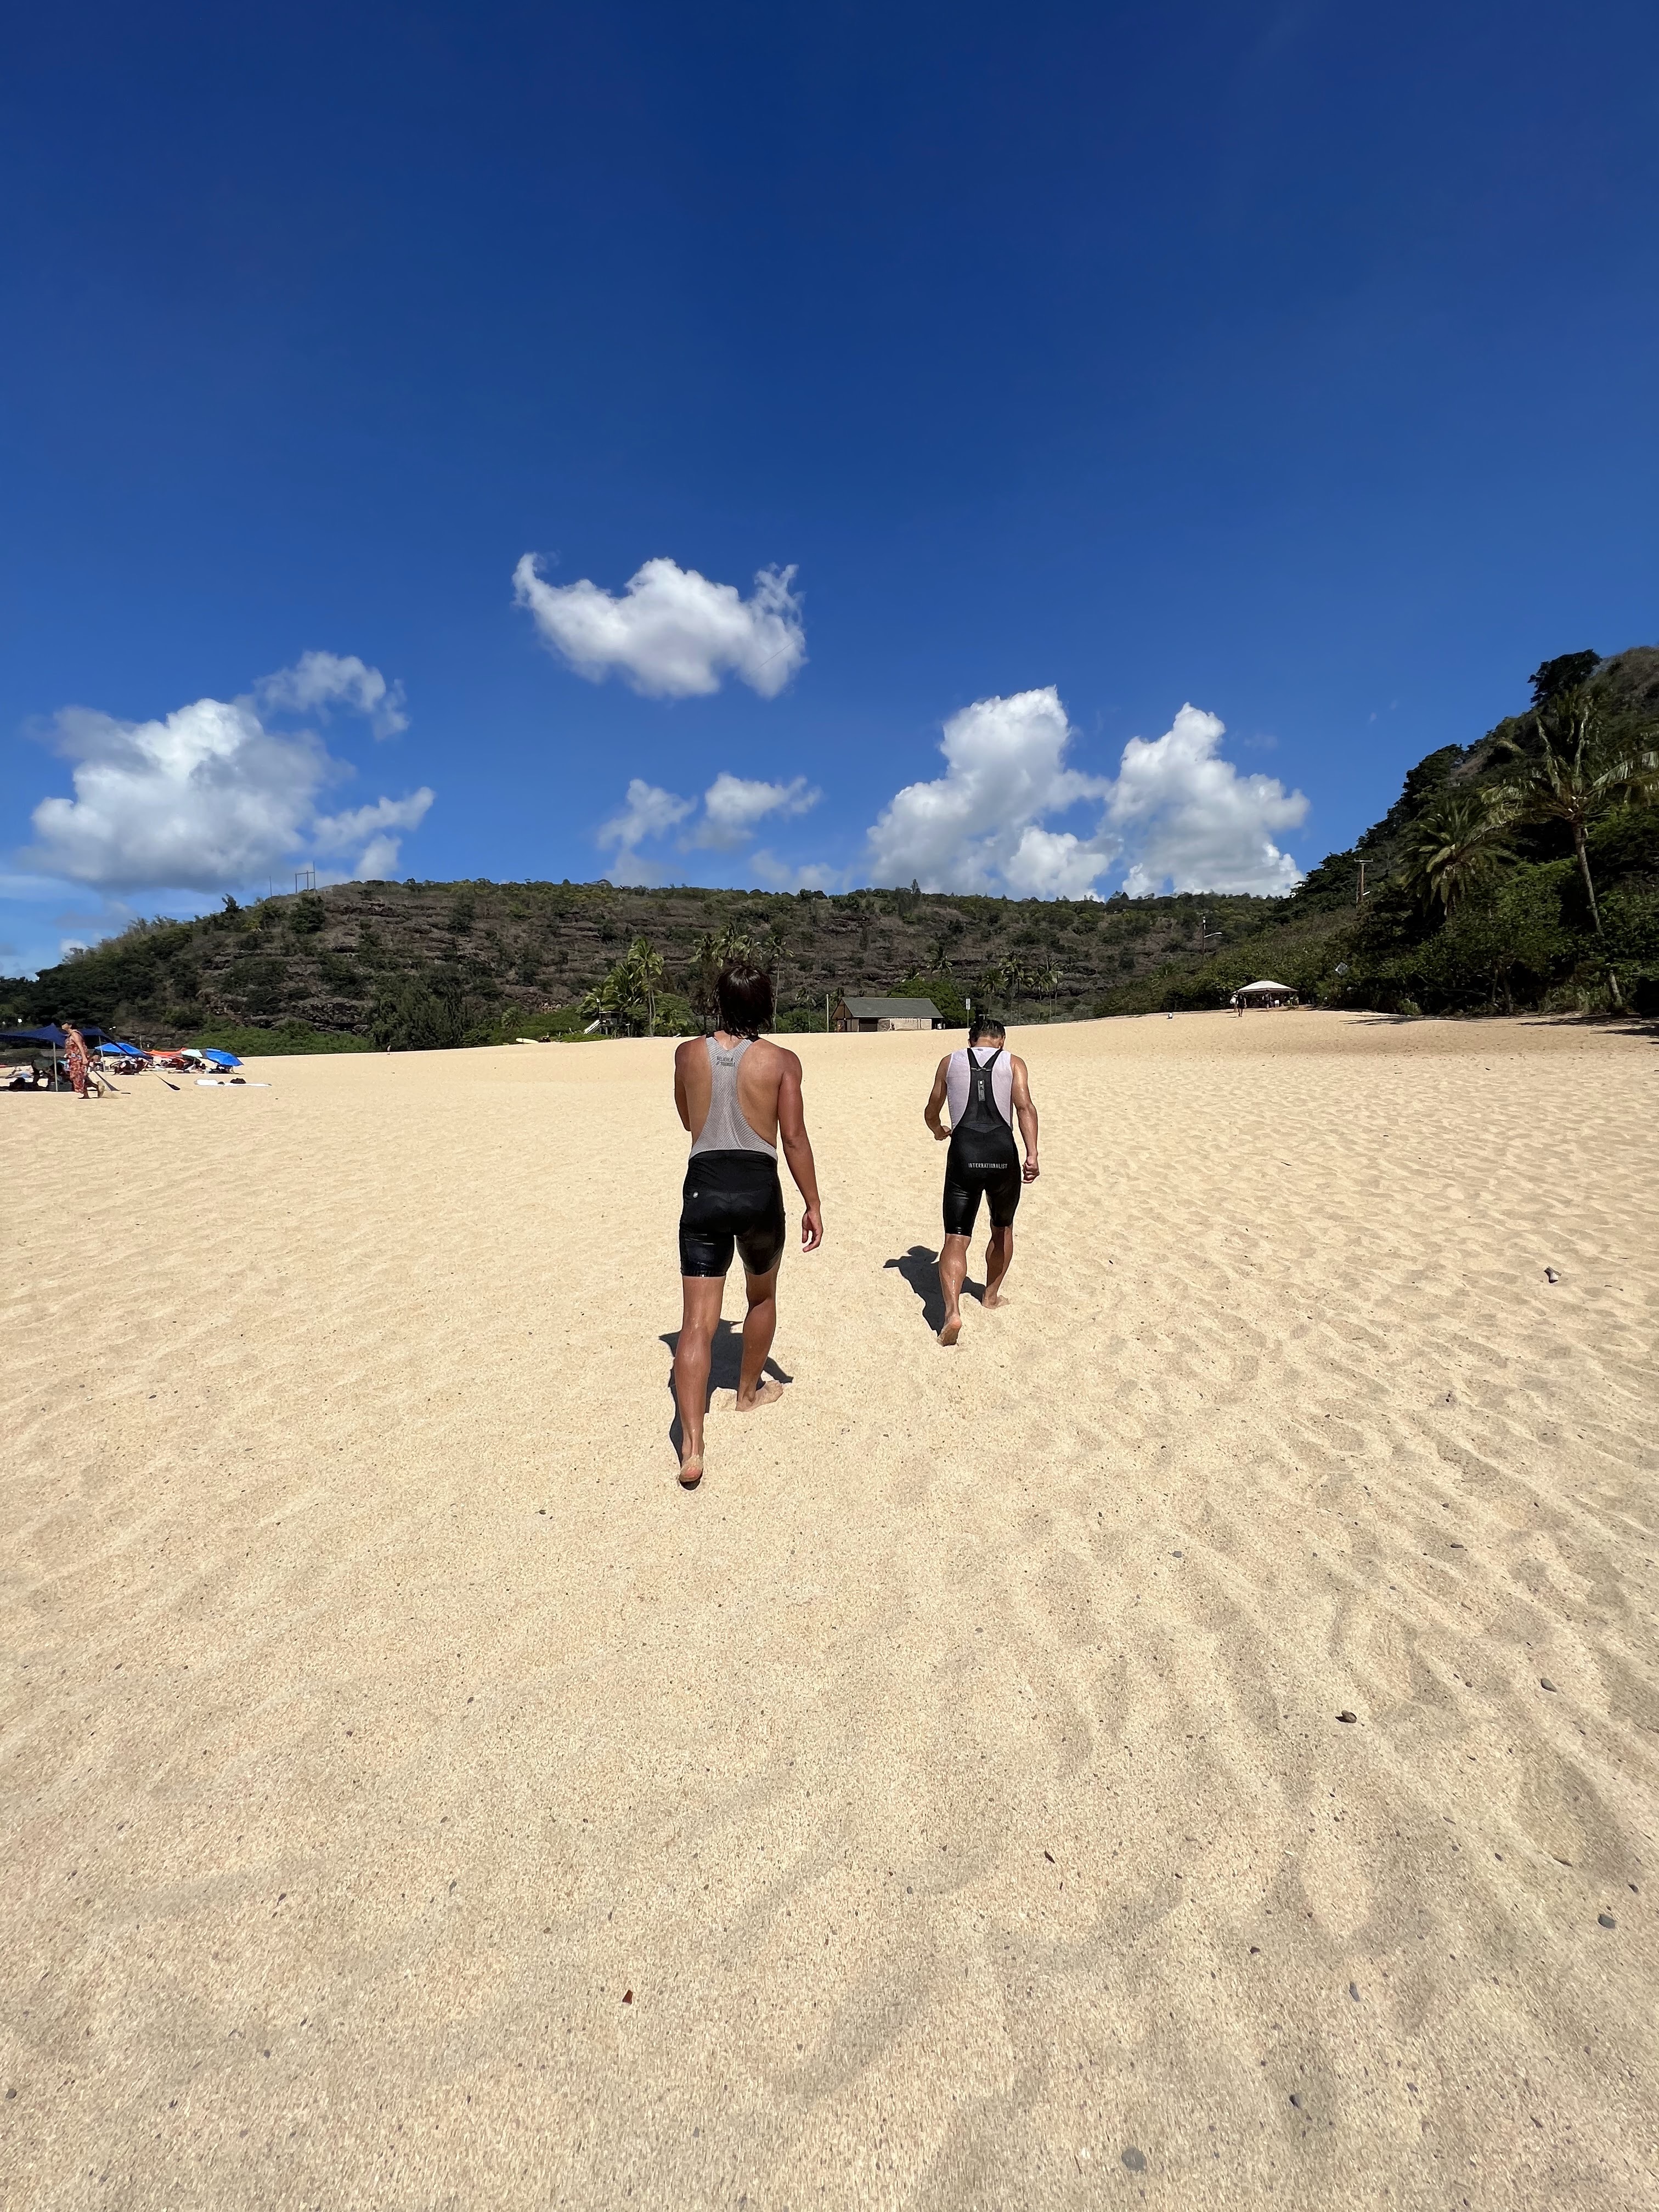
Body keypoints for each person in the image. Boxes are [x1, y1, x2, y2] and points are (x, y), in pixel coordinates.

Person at [670, 963, 824, 1489]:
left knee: (696, 1324)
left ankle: (693, 1447)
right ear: (765, 1005)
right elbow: (795, 1137)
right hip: (759, 1191)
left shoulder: (686, 1054)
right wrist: (812, 1203)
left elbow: (688, 1120)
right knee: (761, 1296)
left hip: (704, 1187)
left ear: (719, 1002)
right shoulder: (782, 1061)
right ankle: (747, 1393)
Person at [923, 1014, 1039, 1346]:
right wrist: (1032, 1154)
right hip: (1003, 1155)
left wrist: (938, 1130)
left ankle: (952, 1313)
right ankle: (990, 1296)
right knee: (1002, 1228)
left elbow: (932, 1109)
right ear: (1001, 1041)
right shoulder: (1013, 1062)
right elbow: (1025, 1108)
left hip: (964, 1154)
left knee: (955, 1238)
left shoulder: (949, 1062)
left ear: (970, 1041)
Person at [63, 1020, 94, 1101]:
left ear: (70, 1025)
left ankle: (88, 1091)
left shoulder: (75, 1034)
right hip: (74, 1059)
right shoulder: (70, 1035)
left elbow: (80, 1046)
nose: (62, 1026)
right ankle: (87, 1092)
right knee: (78, 1076)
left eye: (64, 1024)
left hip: (78, 1058)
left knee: (78, 1075)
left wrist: (84, 1058)